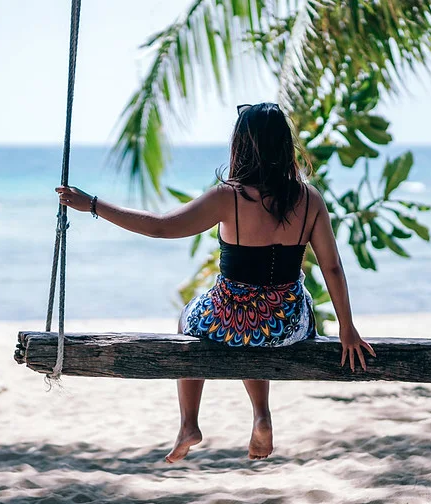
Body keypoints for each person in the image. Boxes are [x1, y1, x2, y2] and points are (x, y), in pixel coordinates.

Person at [56, 102, 375, 462]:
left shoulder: (229, 198)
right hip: (288, 323)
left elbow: (161, 227)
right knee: (260, 329)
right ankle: (261, 415)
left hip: (232, 320)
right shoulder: (309, 198)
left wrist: (94, 205)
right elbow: (332, 268)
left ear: (242, 146)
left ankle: (189, 424)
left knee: (190, 317)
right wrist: (347, 328)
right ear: (285, 146)